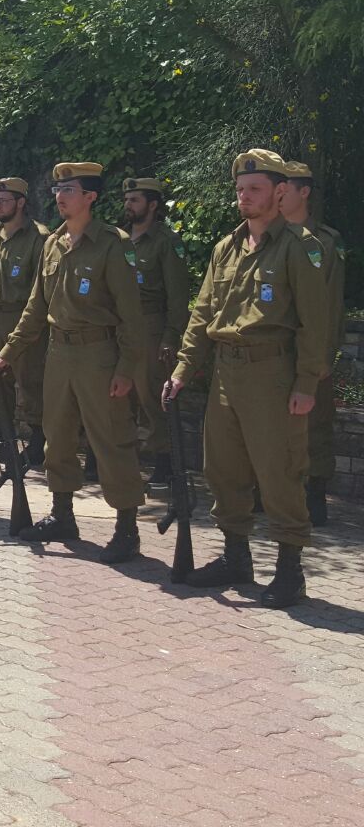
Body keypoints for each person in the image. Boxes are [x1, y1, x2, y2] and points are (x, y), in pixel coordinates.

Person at [164, 149, 327, 608]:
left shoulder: (300, 247)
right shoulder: (226, 248)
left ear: (279, 192)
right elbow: (202, 315)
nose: (244, 197)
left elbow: (316, 324)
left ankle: (290, 571)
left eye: (254, 189)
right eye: (239, 189)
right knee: (224, 469)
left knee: (278, 471)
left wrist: (306, 384)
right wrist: (182, 370)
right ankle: (236, 557)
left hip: (272, 373)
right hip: (225, 372)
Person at [0, 162, 146, 564]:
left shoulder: (113, 243)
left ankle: (127, 528)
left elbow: (132, 316)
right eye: (57, 189)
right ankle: (62, 514)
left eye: (69, 190)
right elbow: (35, 308)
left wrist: (126, 369)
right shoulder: (53, 244)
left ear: (90, 196)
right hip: (58, 353)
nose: (60, 196)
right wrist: (7, 352)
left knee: (110, 440)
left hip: (98, 355)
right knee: (57, 438)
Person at [281, 160, 344, 527]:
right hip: (273, 349)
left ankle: (315, 490)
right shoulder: (265, 235)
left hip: (311, 348)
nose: (279, 194)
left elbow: (331, 304)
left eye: (285, 187)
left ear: (303, 191)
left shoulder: (325, 242)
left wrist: (323, 356)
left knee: (315, 423)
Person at [122, 177, 191, 487]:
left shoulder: (165, 241)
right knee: (122, 396)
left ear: (152, 205)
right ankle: (124, 460)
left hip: (151, 328)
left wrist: (171, 336)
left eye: (135, 200)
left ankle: (165, 463)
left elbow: (178, 296)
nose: (128, 205)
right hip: (122, 327)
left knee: (153, 397)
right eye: (127, 199)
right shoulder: (120, 239)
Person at [0, 177, 50, 466]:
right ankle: (0, 432)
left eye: (4, 200)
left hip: (23, 316)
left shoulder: (39, 238)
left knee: (31, 379)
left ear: (21, 203)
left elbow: (41, 289)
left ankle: (37, 440)